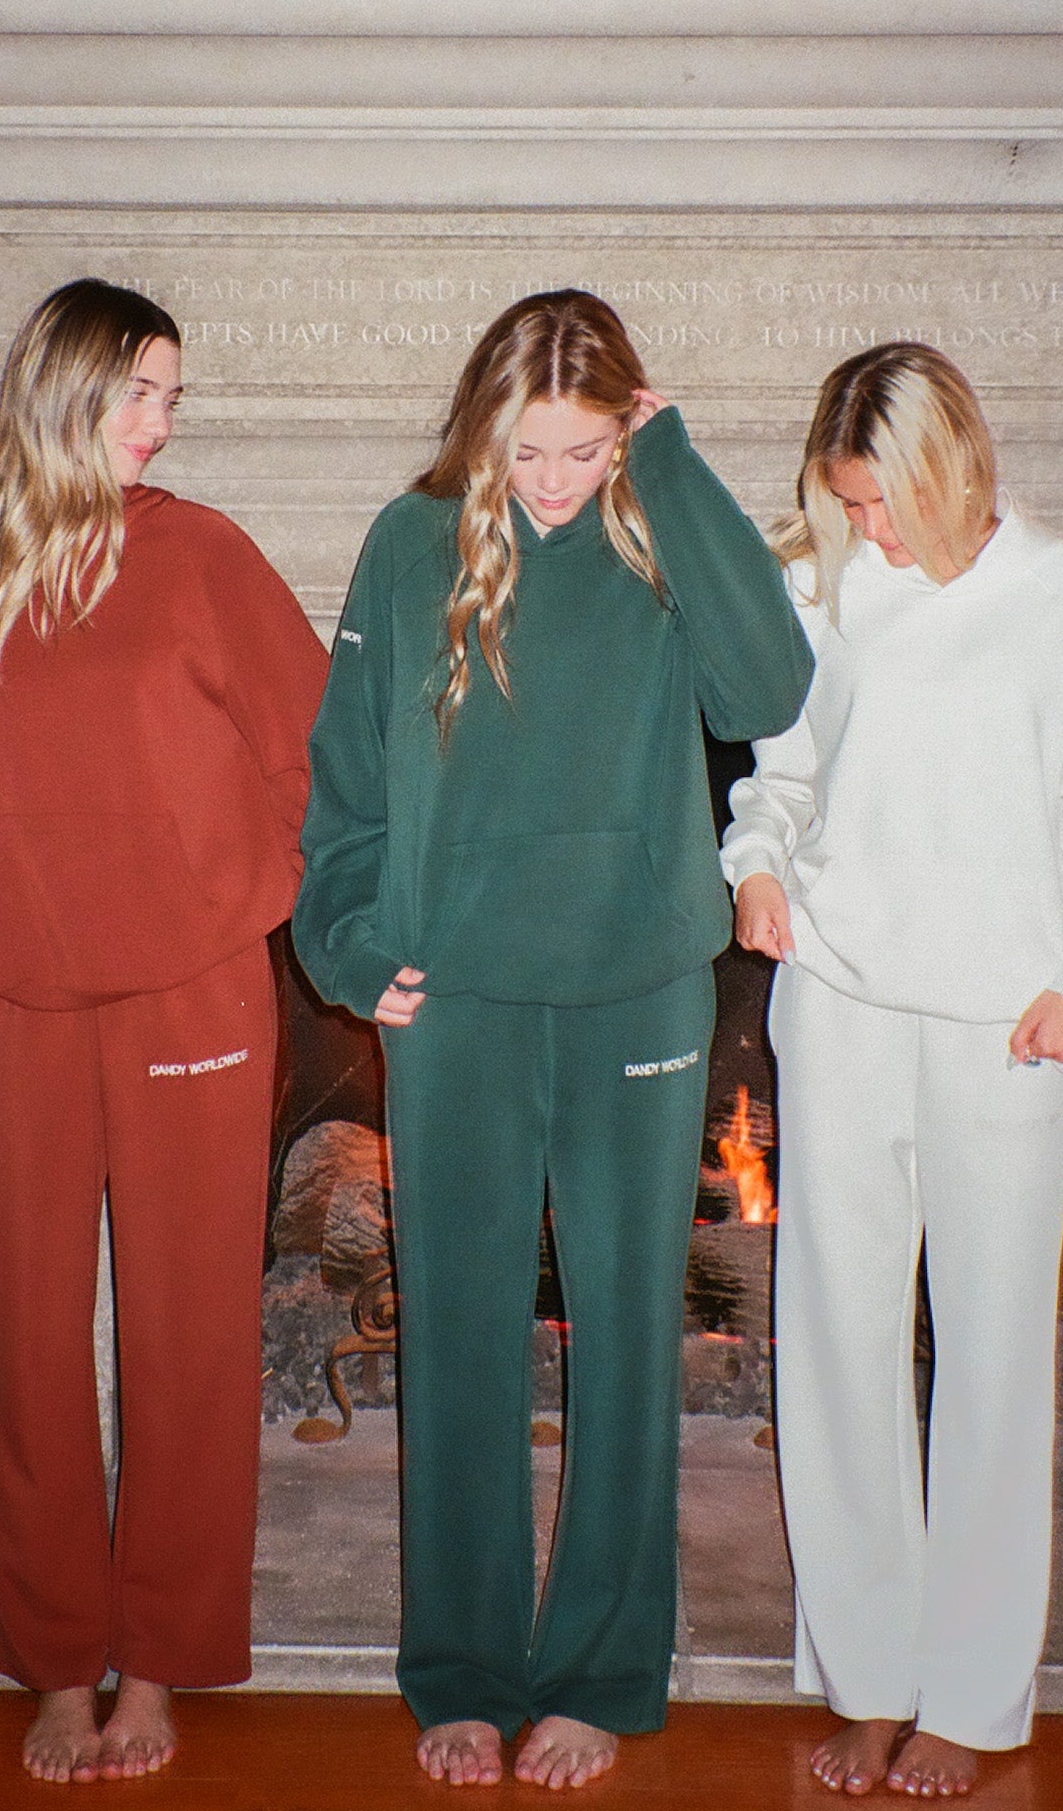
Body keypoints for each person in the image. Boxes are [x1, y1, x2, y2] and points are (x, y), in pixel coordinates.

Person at [293, 290, 813, 1790]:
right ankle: (458, 1667)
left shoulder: (659, 532)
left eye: (586, 450)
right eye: (530, 450)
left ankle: (599, 1670)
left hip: (635, 994)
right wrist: (345, 943)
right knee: (454, 1334)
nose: (555, 480)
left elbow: (771, 692)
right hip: (450, 1001)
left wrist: (678, 470)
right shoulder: (411, 546)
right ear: (483, 427)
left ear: (624, 433)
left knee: (626, 1336)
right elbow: (344, 774)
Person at [0, 279, 328, 1784]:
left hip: (195, 992)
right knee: (36, 1332)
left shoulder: (203, 556)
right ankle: (55, 1659)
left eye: (172, 398)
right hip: (18, 992)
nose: (161, 425)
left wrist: (239, 889)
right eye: (140, 395)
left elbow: (316, 751)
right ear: (64, 391)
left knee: (186, 1338)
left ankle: (164, 1660)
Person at [721, 341, 1063, 1798]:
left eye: (887, 502)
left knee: (987, 1364)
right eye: (846, 503)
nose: (870, 533)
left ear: (953, 468)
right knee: (835, 1349)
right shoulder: (818, 586)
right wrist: (756, 873)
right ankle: (866, 1677)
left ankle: (969, 1697)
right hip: (836, 1006)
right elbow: (772, 788)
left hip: (1006, 1030)